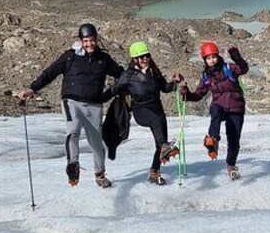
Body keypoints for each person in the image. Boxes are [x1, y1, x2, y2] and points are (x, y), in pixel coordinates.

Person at [17, 23, 123, 188]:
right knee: (73, 131)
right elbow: (49, 73)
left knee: (96, 142)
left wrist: (113, 91)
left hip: (94, 105)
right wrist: (32, 89)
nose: (89, 44)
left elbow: (121, 75)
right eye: (86, 41)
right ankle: (73, 165)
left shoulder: (103, 59)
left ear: (97, 40)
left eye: (92, 40)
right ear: (80, 40)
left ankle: (100, 174)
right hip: (71, 101)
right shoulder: (69, 57)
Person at [101, 41, 183, 186]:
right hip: (141, 110)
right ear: (134, 59)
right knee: (162, 139)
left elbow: (165, 88)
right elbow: (114, 90)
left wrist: (174, 82)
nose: (145, 59)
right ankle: (164, 148)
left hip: (157, 109)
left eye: (146, 56)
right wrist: (97, 99)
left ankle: (154, 173)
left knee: (160, 144)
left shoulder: (154, 72)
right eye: (141, 57)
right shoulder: (128, 75)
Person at [181, 42, 249, 180]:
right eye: (208, 58)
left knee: (234, 141)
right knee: (215, 109)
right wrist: (187, 94)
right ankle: (213, 138)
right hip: (220, 106)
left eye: (213, 57)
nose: (211, 60)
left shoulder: (229, 68)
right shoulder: (206, 76)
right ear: (204, 60)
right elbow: (199, 95)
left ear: (218, 56)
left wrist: (236, 56)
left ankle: (231, 165)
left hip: (236, 107)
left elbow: (244, 69)